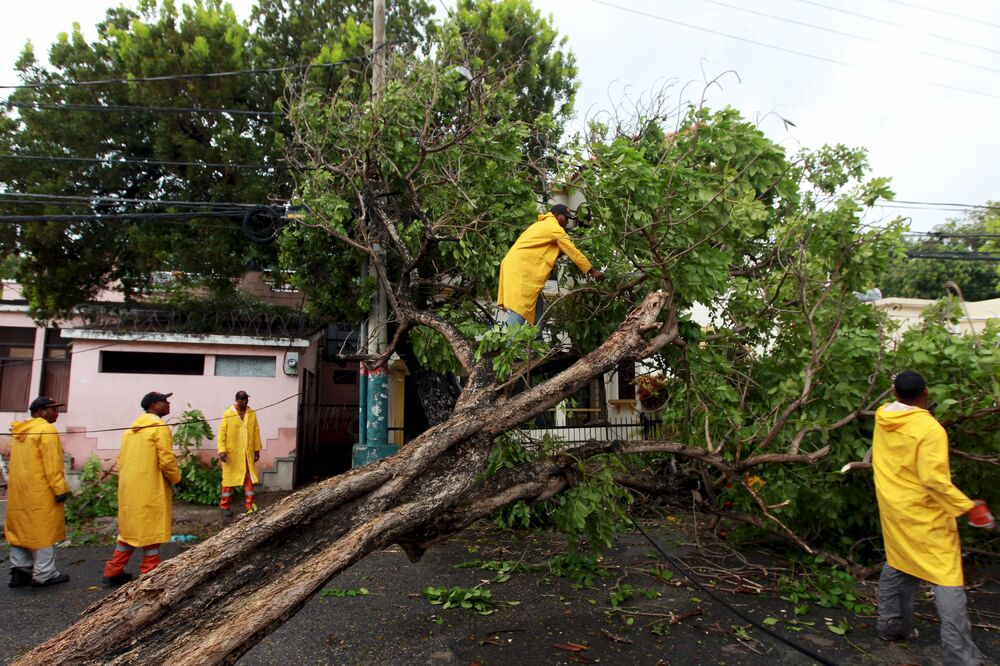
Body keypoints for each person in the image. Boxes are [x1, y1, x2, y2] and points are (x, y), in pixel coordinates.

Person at [873, 370, 993, 665]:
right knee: (947, 578)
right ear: (925, 393)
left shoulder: (883, 416)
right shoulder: (930, 429)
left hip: (893, 509)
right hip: (925, 515)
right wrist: (969, 507)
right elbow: (934, 480)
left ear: (894, 393)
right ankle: (960, 657)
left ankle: (893, 626)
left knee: (899, 561)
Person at [103, 391, 181, 586]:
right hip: (150, 487)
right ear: (154, 406)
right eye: (164, 401)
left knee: (130, 531)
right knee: (151, 529)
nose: (168, 404)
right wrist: (177, 479)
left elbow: (122, 460)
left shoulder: (130, 430)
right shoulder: (159, 428)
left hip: (130, 488)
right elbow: (166, 458)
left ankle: (113, 571)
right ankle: (150, 573)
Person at [497, 204, 605, 328]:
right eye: (565, 218)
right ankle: (507, 345)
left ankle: (537, 343)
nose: (567, 221)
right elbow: (572, 251)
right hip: (521, 271)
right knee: (520, 309)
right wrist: (592, 271)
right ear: (555, 215)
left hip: (515, 267)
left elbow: (551, 251)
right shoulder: (554, 227)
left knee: (538, 306)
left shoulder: (542, 225)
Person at [4, 396, 71, 588]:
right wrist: (59, 488)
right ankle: (44, 573)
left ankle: (20, 570)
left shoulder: (20, 431)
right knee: (44, 531)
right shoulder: (46, 429)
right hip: (40, 490)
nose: (57, 413)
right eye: (53, 409)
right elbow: (52, 464)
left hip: (19, 491)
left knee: (19, 530)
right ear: (41, 411)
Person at [218, 390, 262, 518]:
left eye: (246, 399)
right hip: (232, 454)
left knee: (249, 480)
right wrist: (222, 450)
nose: (245, 401)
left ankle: (250, 506)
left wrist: (257, 449)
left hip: (247, 454)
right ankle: (225, 506)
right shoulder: (228, 413)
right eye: (242, 399)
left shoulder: (252, 413)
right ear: (237, 400)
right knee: (228, 481)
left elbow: (256, 431)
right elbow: (222, 433)